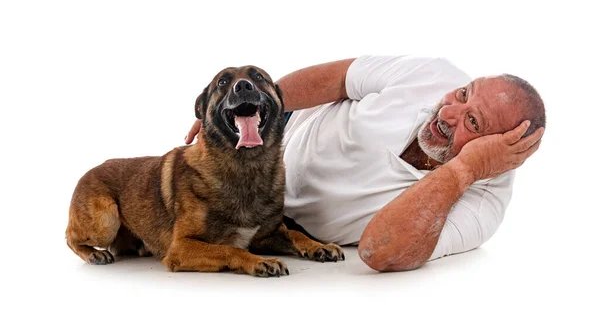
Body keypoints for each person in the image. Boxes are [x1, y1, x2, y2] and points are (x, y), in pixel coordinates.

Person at [184, 56, 545, 272]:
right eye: (463, 94)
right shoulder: (432, 73)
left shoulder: (484, 206)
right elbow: (337, 78)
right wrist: (252, 108)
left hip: (286, 227)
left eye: (473, 123)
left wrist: (464, 170)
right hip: (279, 133)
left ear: (497, 151)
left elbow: (379, 250)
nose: (449, 111)